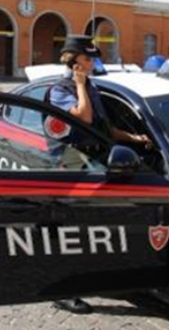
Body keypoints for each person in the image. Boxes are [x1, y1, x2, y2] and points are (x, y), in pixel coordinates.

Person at [46, 35, 152, 314]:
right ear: (72, 61)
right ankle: (62, 290)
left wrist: (135, 138)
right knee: (73, 228)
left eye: (93, 58)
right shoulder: (60, 89)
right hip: (71, 162)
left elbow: (104, 127)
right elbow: (83, 117)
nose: (92, 63)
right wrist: (80, 85)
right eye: (87, 58)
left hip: (95, 158)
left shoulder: (90, 87)